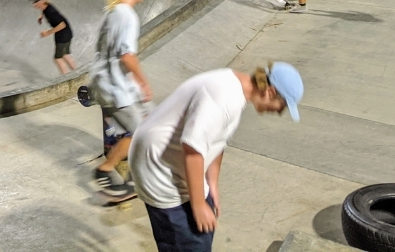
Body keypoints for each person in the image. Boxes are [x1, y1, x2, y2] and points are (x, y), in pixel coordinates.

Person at [129, 63, 304, 252]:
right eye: (282, 107)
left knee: (203, 231)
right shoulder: (223, 98)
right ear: (269, 92)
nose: (278, 112)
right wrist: (198, 204)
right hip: (158, 167)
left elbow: (216, 142)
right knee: (188, 242)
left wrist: (211, 184)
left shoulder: (238, 91)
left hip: (174, 158)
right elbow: (193, 149)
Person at [88, 0, 153, 201]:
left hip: (107, 82)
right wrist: (143, 83)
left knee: (148, 123)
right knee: (139, 133)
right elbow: (127, 55)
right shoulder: (127, 15)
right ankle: (105, 170)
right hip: (114, 87)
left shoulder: (113, 11)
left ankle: (138, 178)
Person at [31, 0, 75, 75]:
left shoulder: (51, 12)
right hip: (67, 33)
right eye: (33, 2)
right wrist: (41, 16)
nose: (34, 4)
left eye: (36, 2)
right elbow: (44, 9)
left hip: (62, 35)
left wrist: (47, 33)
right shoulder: (46, 7)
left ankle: (66, 80)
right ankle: (77, 74)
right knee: (65, 55)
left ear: (42, 1)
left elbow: (62, 25)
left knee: (57, 58)